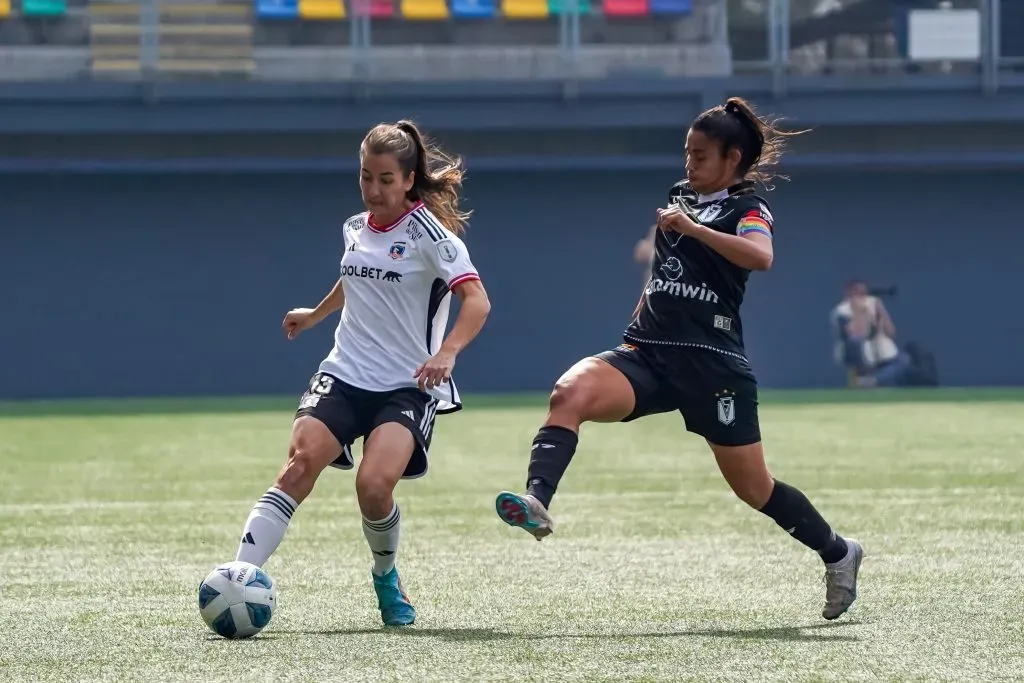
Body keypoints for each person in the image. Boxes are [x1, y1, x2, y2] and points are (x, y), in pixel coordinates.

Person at [494, 97, 864, 621]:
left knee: (755, 488)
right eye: (687, 153)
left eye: (701, 155)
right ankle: (537, 502)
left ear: (732, 158)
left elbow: (761, 257)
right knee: (569, 393)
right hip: (647, 352)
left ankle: (839, 552)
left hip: (713, 365)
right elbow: (665, 271)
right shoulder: (679, 196)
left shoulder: (748, 209)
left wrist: (693, 229)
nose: (689, 164)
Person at [233, 120, 491, 627]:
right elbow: (356, 277)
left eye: (386, 179)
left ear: (409, 180)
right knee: (299, 465)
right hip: (345, 372)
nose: (374, 190)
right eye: (366, 177)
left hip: (406, 385)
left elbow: (477, 301)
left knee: (374, 486)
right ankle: (238, 576)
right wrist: (315, 314)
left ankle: (385, 576)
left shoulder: (433, 239)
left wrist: (449, 352)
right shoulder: (354, 226)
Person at [831, 279, 909, 388]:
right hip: (854, 351)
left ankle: (872, 381)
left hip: (876, 348)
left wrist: (881, 311)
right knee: (855, 342)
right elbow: (858, 334)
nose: (861, 297)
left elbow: (891, 332)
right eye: (857, 293)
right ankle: (866, 379)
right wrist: (860, 311)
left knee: (903, 361)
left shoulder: (873, 305)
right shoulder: (841, 311)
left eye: (863, 293)